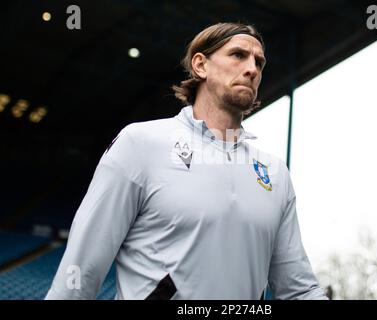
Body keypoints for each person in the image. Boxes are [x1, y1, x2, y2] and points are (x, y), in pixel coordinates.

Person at [45, 22, 327, 300]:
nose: (252, 69)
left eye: (259, 62)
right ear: (200, 65)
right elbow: (81, 271)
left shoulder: (274, 172)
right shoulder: (140, 144)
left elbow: (299, 289)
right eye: (238, 55)